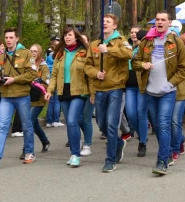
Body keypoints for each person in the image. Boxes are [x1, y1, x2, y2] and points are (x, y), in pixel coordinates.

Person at [133, 11, 185, 175]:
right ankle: (168, 152)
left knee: (164, 124)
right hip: (150, 92)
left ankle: (162, 161)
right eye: (157, 19)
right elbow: (135, 62)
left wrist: (170, 84)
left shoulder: (176, 42)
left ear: (169, 23)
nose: (159, 22)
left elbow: (183, 69)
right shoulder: (146, 41)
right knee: (158, 127)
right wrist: (142, 64)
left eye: (163, 20)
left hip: (167, 92)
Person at [0, 28, 37, 168]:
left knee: (26, 125)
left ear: (17, 39)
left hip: (22, 95)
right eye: (6, 37)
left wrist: (15, 79)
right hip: (6, 96)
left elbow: (32, 74)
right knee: (2, 126)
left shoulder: (26, 54)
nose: (8, 40)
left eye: (11, 37)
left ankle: (29, 152)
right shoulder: (1, 56)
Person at [85, 13, 133, 173]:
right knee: (101, 123)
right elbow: (87, 65)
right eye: (103, 21)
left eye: (108, 21)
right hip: (99, 89)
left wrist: (109, 50)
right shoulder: (94, 44)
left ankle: (110, 159)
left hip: (115, 88)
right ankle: (118, 143)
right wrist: (95, 73)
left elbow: (129, 54)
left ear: (114, 26)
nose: (104, 23)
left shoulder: (121, 41)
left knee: (112, 125)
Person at [46, 28, 92, 167]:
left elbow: (89, 74)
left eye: (69, 35)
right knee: (70, 123)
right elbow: (53, 75)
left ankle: (76, 155)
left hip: (79, 91)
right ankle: (73, 153)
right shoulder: (60, 54)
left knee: (72, 121)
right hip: (63, 91)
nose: (67, 37)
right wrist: (49, 90)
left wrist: (93, 93)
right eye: (65, 35)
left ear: (76, 37)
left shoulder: (84, 52)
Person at [124, 26, 148, 157]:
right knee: (130, 113)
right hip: (129, 85)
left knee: (141, 113)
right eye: (132, 32)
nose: (134, 34)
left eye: (136, 32)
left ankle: (143, 142)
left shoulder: (145, 48)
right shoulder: (127, 48)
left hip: (141, 84)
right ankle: (142, 135)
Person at [29, 44, 51, 154]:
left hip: (40, 97)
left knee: (30, 120)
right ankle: (45, 141)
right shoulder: (27, 65)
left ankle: (27, 149)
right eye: (31, 51)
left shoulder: (43, 66)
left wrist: (36, 83)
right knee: (33, 122)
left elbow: (47, 83)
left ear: (39, 53)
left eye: (35, 51)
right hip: (28, 96)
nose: (33, 53)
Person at [45, 36, 63, 127]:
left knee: (51, 100)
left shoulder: (47, 52)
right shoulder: (60, 53)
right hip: (57, 76)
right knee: (57, 100)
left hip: (49, 77)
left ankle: (49, 121)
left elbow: (45, 63)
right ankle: (55, 120)